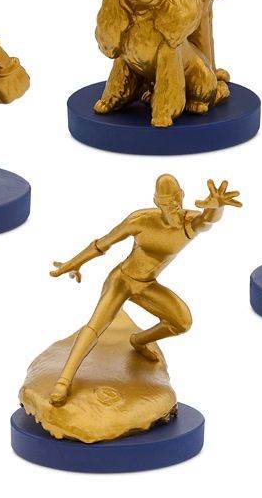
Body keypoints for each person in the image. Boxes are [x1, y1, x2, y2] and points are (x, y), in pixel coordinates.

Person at [48, 174, 240, 405]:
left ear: (182, 196)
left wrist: (217, 207)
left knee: (182, 322)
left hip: (147, 285)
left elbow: (207, 221)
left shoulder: (189, 223)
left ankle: (138, 341)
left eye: (175, 200)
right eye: (165, 202)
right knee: (95, 326)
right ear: (156, 201)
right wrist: (73, 263)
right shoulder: (141, 220)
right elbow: (103, 244)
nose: (172, 207)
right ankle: (63, 381)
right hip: (121, 280)